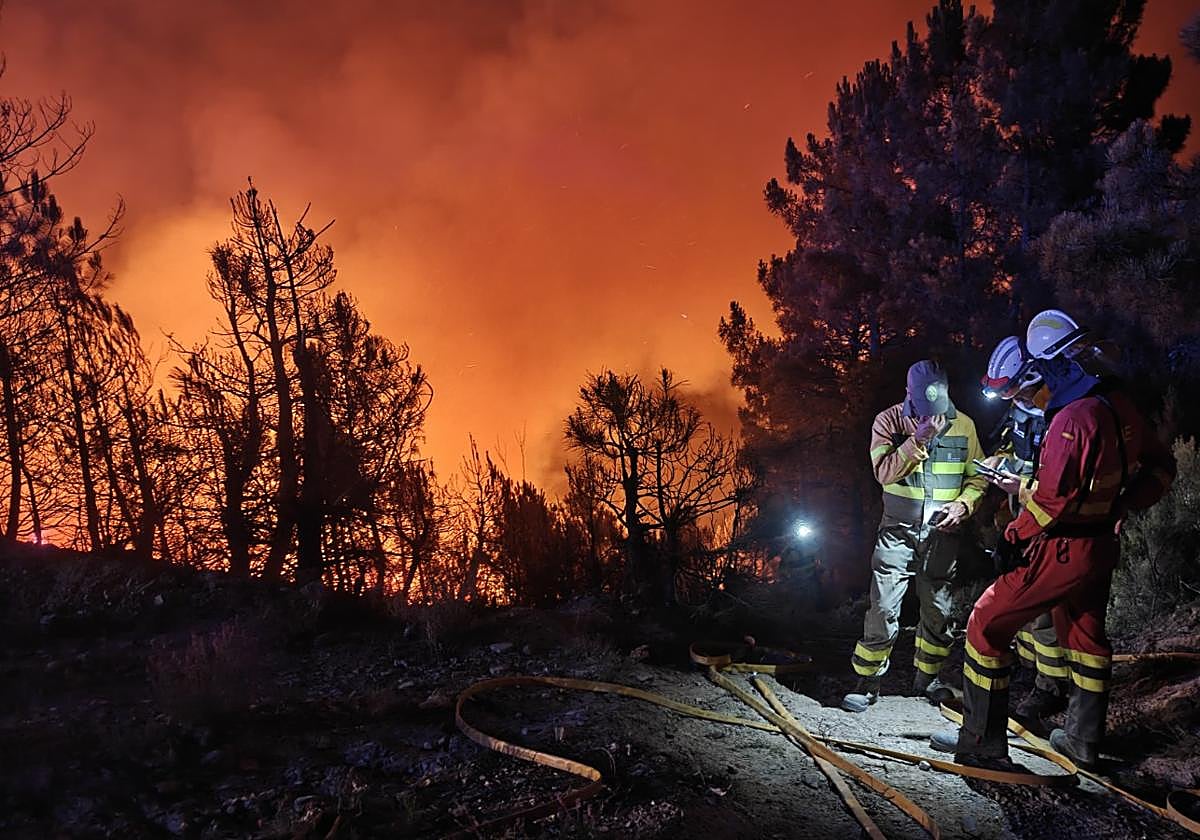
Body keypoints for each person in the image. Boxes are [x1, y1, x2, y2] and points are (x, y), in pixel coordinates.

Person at [931, 311, 1176, 768]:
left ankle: (980, 743)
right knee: (1086, 639)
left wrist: (1012, 535)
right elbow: (1162, 467)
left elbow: (1050, 504)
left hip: (1060, 549)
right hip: (1101, 546)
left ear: (1051, 364)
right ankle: (1083, 741)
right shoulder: (1117, 404)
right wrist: (1121, 507)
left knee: (986, 624)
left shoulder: (1071, 420)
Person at [842, 360, 988, 713]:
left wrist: (963, 507)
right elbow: (883, 472)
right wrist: (917, 440)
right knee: (884, 606)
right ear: (909, 394)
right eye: (926, 412)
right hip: (897, 531)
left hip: (943, 535)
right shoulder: (888, 422)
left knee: (939, 609)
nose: (934, 418)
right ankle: (868, 682)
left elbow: (978, 478)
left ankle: (928, 680)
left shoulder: (964, 425)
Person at [981, 335, 1069, 724]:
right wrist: (1000, 465)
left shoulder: (1061, 414)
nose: (1009, 398)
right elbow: (1013, 450)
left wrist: (1023, 487)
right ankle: (1031, 671)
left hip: (1050, 522)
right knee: (1023, 602)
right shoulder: (1022, 411)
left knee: (1044, 609)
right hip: (1023, 517)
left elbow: (1063, 488)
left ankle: (1051, 687)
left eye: (1013, 389)